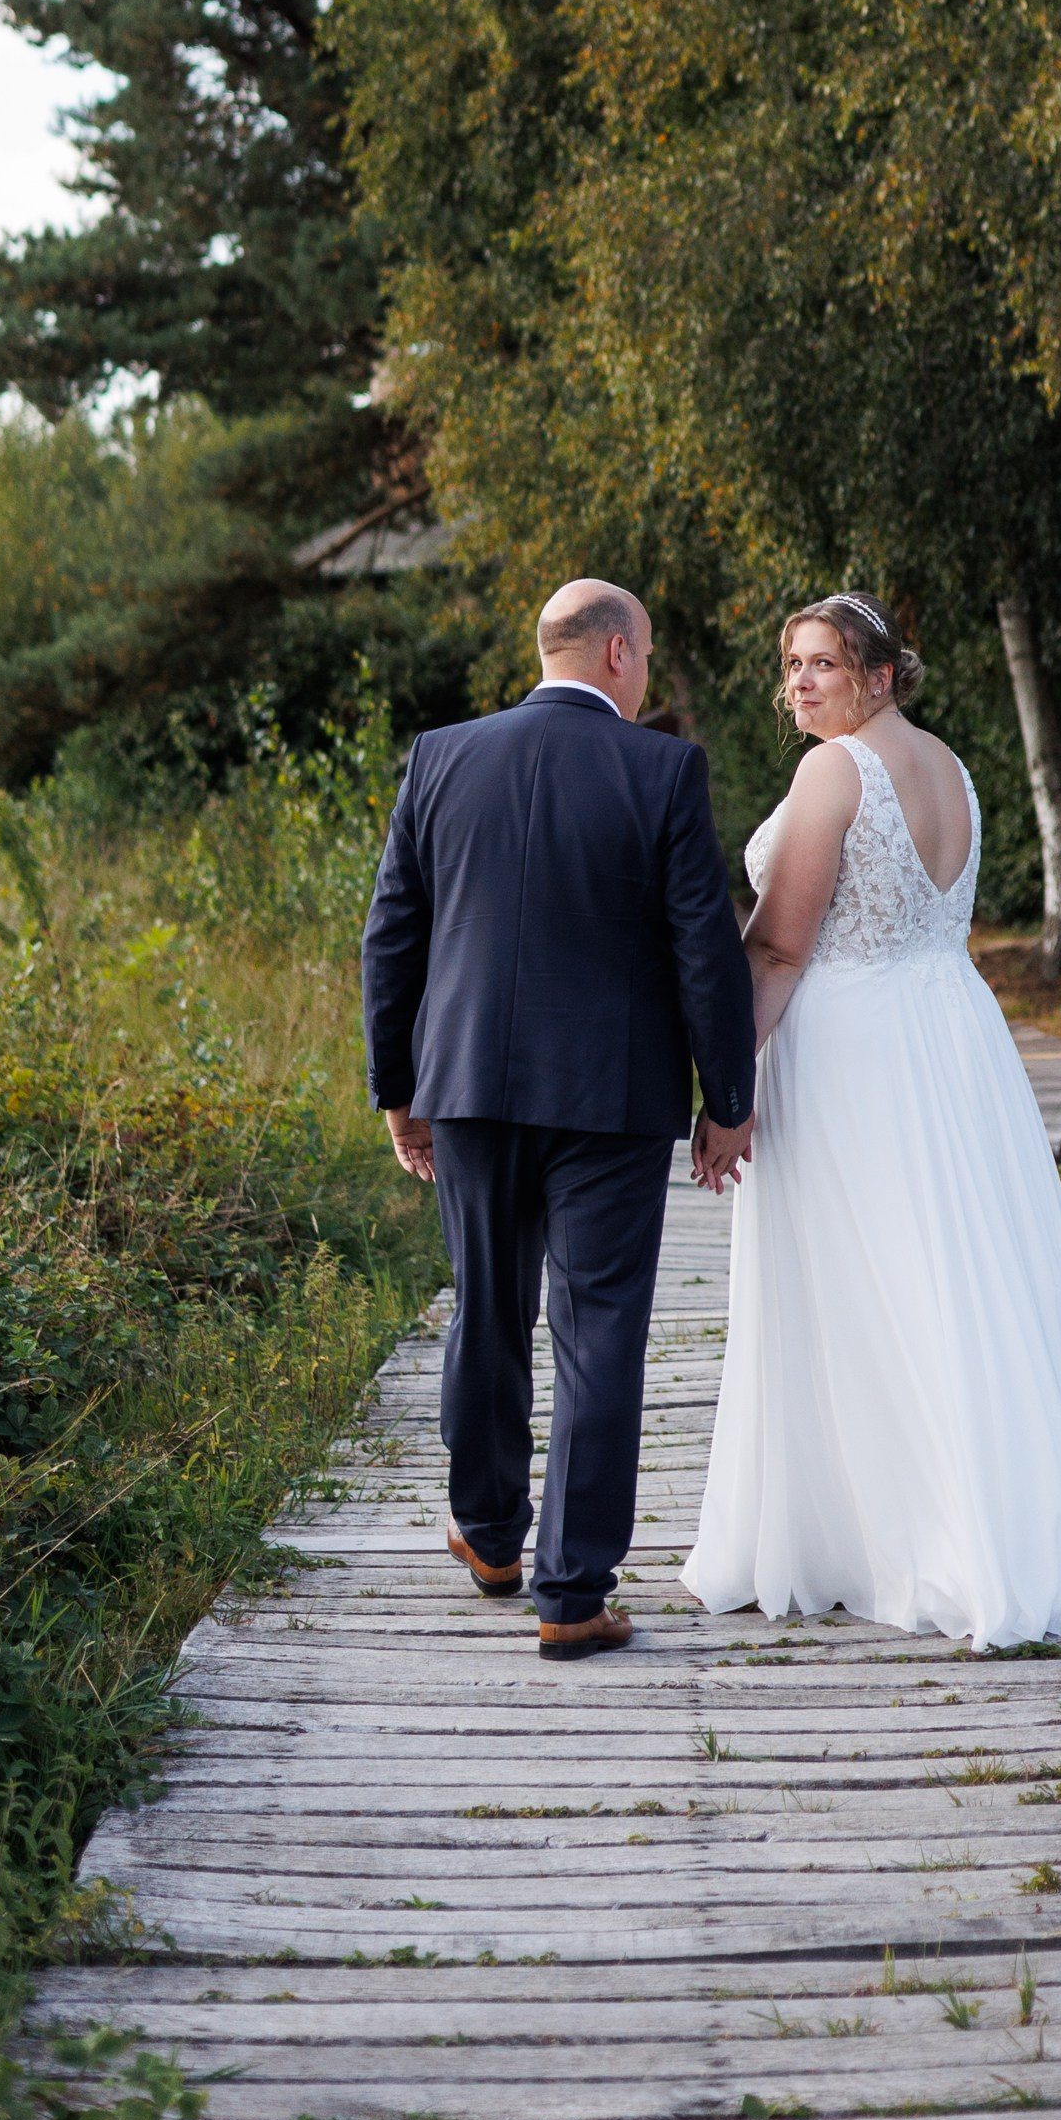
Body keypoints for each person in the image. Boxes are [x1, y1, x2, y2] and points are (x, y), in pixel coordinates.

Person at [681, 592, 1061, 1650]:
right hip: (949, 1033)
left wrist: (726, 1094)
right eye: (792, 665)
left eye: (825, 666)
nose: (800, 684)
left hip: (853, 1047)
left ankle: (887, 1539)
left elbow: (781, 948)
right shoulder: (951, 768)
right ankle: (972, 1529)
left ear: (880, 676)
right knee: (952, 1282)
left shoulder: (832, 771)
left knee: (866, 1283)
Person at [362, 579, 756, 1661]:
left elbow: (391, 934)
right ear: (619, 654)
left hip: (469, 1088)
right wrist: (727, 1100)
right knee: (597, 1334)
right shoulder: (662, 769)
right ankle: (570, 1592)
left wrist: (397, 1086)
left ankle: (488, 1538)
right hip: (610, 1099)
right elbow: (702, 950)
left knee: (485, 1305)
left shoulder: (441, 755)